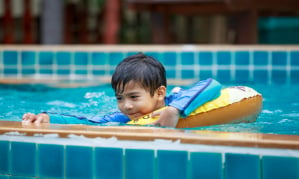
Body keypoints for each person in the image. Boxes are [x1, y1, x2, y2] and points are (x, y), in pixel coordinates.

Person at [22, 53, 221, 127]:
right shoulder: (123, 118)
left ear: (160, 93)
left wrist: (174, 109)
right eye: (120, 98)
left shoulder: (175, 99)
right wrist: (48, 117)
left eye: (134, 97)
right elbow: (89, 122)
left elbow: (212, 84)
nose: (126, 106)